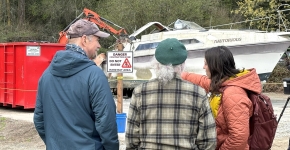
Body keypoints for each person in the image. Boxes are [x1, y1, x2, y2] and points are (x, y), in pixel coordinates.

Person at [33, 19, 119, 150]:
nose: (98, 46)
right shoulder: (94, 75)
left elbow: (39, 119)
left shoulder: (46, 76)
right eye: (97, 40)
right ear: (84, 39)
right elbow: (106, 122)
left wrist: (54, 144)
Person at [125, 38, 217, 150]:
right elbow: (209, 141)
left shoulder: (139, 92)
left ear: (156, 64)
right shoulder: (198, 93)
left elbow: (131, 139)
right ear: (182, 65)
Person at [181, 46, 262, 150]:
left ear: (215, 66)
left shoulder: (233, 94)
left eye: (206, 63)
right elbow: (202, 81)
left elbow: (238, 137)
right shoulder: (224, 83)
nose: (203, 67)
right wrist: (177, 74)